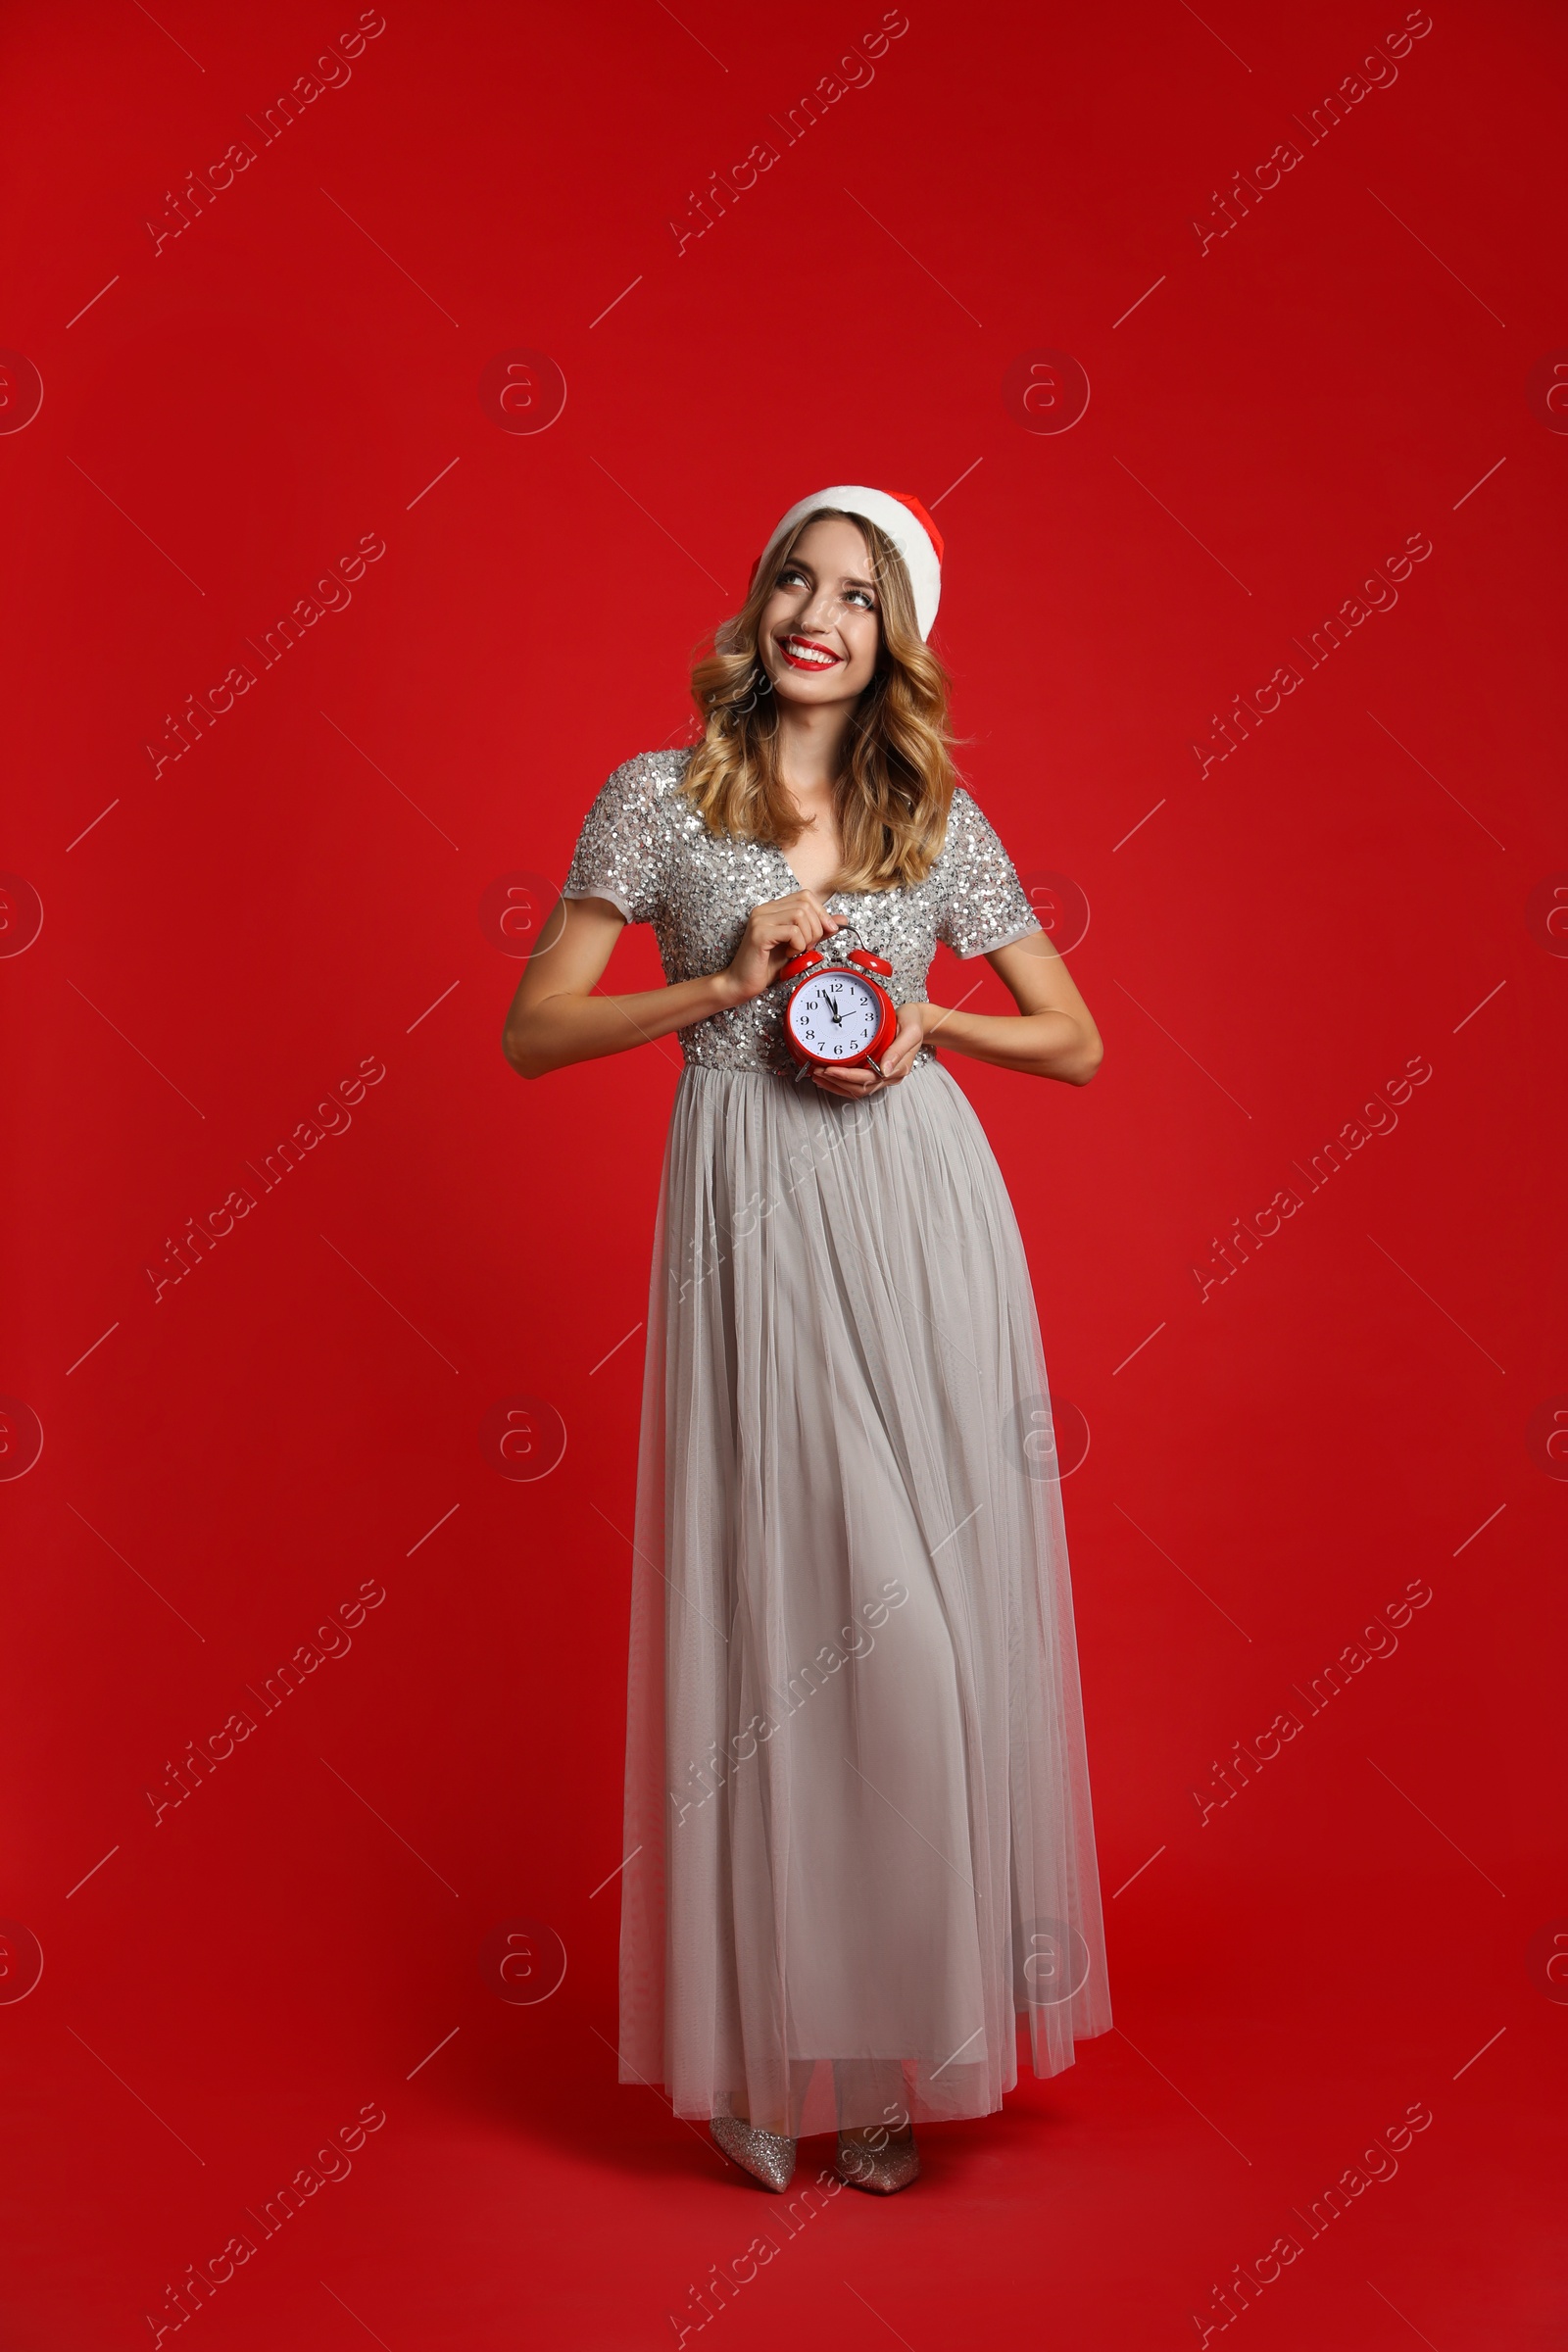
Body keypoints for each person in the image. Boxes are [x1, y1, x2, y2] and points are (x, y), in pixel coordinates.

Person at [503, 486, 1111, 2196]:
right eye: (796, 575)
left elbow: (1073, 1042)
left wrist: (928, 1021)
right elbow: (531, 1031)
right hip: (747, 1216)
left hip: (917, 1217)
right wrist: (718, 985)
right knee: (773, 1632)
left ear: (897, 637)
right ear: (760, 599)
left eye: (858, 593)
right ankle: (768, 2051)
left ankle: (886, 2048)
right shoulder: (657, 798)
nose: (816, 613)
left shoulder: (934, 817)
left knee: (916, 1647)